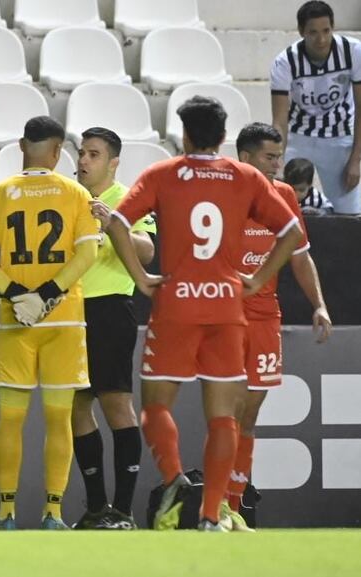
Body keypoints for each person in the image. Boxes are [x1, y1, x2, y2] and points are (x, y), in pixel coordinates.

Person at [107, 96, 304, 531]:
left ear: (186, 134)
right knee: (223, 417)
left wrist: (141, 276)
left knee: (155, 406)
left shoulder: (163, 174)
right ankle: (212, 515)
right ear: (221, 136)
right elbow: (290, 231)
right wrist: (257, 277)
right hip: (227, 308)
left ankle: (175, 478)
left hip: (176, 305)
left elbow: (117, 223)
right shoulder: (246, 176)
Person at [0, 116, 100, 530]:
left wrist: (16, 295)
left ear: (21, 147)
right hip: (63, 322)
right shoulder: (76, 193)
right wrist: (46, 295)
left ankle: (6, 512)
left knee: (11, 418)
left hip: (15, 322)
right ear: (59, 152)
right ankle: (53, 513)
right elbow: (88, 255)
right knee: (59, 418)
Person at [221, 122, 331, 531]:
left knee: (248, 416)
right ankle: (216, 508)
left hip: (265, 318)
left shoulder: (283, 196)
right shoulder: (219, 195)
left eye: (279, 157)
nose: (277, 165)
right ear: (245, 157)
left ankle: (233, 508)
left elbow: (300, 256)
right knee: (227, 413)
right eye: (270, 157)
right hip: (225, 316)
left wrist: (318, 304)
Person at [71, 128, 156, 530]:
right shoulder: (68, 197)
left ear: (113, 162)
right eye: (81, 152)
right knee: (76, 405)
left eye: (94, 154)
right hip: (69, 311)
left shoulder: (126, 199)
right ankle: (95, 507)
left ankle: (123, 511)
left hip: (109, 308)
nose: (84, 161)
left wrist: (111, 225)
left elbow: (148, 249)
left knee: (116, 404)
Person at [271, 1, 361, 215]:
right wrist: (276, 160)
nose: (321, 39)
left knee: (348, 213)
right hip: (299, 135)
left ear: (333, 27)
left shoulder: (353, 52)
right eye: (313, 32)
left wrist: (356, 160)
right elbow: (279, 119)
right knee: (285, 208)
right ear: (301, 31)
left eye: (326, 31)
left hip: (339, 136)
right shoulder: (285, 62)